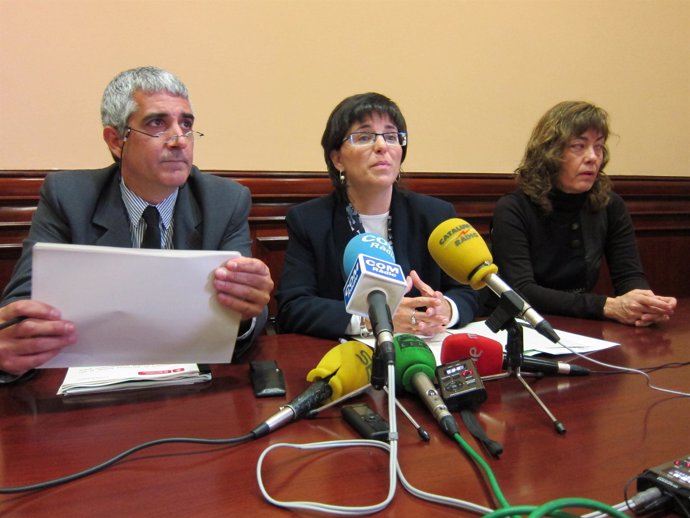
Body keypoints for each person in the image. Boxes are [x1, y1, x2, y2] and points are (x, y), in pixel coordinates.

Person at [0, 66, 273, 378]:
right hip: (87, 386)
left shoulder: (225, 201)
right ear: (116, 140)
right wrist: (15, 335)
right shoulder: (68, 197)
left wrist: (245, 311)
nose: (179, 140)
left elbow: (249, 309)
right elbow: (23, 304)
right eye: (157, 123)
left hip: (192, 383)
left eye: (186, 124)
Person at [275, 92, 480, 340]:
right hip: (351, 357)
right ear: (337, 158)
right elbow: (293, 307)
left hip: (426, 350)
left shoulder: (435, 214)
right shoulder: (309, 220)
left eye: (392, 136)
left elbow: (470, 291)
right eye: (364, 137)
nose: (382, 146)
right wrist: (371, 320)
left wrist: (446, 308)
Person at [490, 100, 676, 326]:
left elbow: (629, 275)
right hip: (528, 326)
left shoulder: (609, 204)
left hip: (584, 324)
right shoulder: (513, 208)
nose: (592, 157)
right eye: (579, 146)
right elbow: (522, 291)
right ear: (550, 153)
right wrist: (605, 306)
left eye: (598, 146)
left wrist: (644, 303)